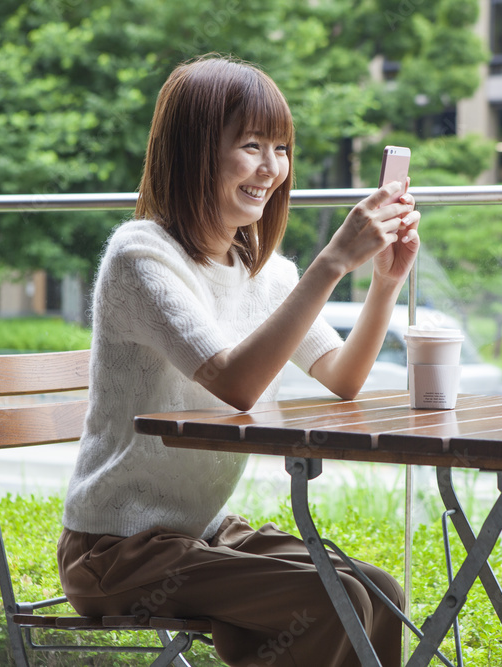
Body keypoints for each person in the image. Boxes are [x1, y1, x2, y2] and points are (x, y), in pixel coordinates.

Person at [57, 55, 419, 667]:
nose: (271, 168)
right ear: (194, 152)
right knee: (328, 601)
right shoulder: (141, 256)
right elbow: (235, 382)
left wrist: (383, 285)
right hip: (117, 549)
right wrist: (331, 264)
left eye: (280, 148)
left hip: (201, 530)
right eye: (251, 145)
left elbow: (343, 376)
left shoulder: (265, 273)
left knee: (379, 593)